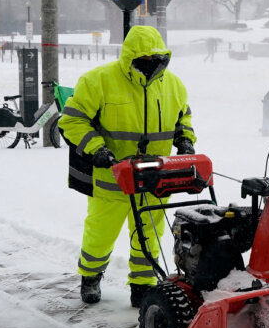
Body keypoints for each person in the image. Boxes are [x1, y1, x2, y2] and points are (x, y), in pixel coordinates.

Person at [59, 26, 196, 308]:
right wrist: (96, 147)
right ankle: (90, 276)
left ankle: (142, 286)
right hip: (112, 179)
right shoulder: (98, 81)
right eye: (144, 61)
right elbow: (71, 120)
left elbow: (184, 118)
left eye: (156, 61)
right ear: (129, 57)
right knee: (100, 233)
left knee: (149, 235)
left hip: (154, 179)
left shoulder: (174, 85)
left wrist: (184, 140)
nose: (150, 66)